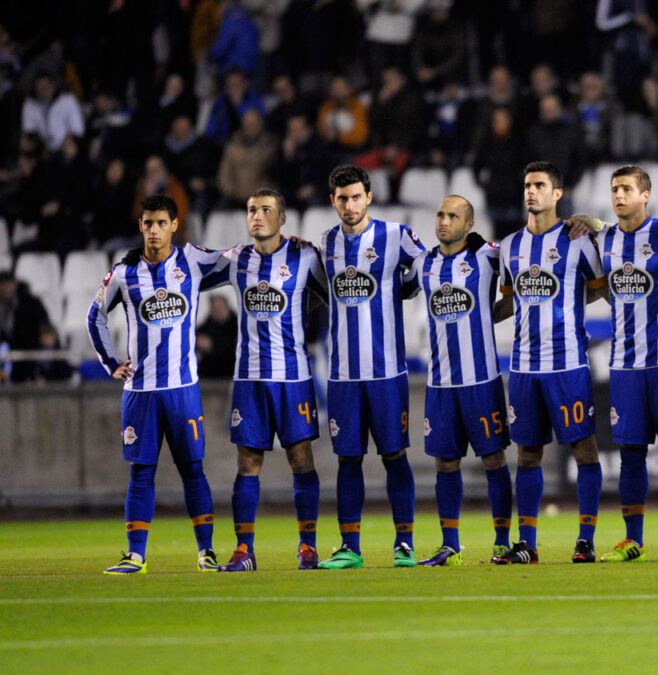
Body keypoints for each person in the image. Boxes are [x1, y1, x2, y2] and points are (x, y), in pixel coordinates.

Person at [87, 194, 232, 574]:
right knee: (141, 473)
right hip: (140, 393)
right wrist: (111, 363)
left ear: (174, 225)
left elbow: (235, 261)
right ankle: (136, 556)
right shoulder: (124, 272)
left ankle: (206, 552)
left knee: (192, 470)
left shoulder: (191, 261)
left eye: (161, 223)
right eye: (148, 223)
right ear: (141, 226)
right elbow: (94, 316)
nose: (154, 230)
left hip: (182, 390)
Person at [493, 161, 608, 564]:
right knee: (527, 455)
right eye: (527, 184)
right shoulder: (509, 246)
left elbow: (601, 289)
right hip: (523, 367)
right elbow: (509, 300)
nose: (531, 191)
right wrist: (474, 315)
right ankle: (527, 543)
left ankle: (585, 539)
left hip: (567, 363)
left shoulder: (578, 240)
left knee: (585, 449)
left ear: (557, 194)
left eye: (539, 185)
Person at [208, 189, 326, 572]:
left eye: (266, 210)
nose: (257, 216)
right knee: (247, 463)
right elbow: (189, 269)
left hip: (292, 378)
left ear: (283, 218)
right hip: (249, 378)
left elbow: (338, 295)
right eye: (252, 210)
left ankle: (307, 547)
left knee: (300, 459)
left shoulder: (305, 256)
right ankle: (244, 550)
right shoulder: (235, 259)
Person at [315, 165, 425, 570]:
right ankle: (350, 547)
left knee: (395, 456)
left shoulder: (395, 236)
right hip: (343, 374)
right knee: (348, 460)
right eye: (342, 198)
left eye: (356, 196)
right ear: (333, 201)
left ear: (369, 197)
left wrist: (405, 287)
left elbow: (429, 267)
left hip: (386, 371)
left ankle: (405, 544)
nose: (349, 205)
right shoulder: (325, 243)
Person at [595, 165, 658, 563]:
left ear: (645, 194)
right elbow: (598, 285)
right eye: (614, 189)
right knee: (630, 453)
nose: (619, 196)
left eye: (626, 189)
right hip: (623, 364)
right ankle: (632, 539)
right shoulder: (603, 240)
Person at [410, 196, 515, 567]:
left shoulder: (487, 256)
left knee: (493, 458)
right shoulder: (423, 264)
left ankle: (502, 542)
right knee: (445, 464)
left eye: (453, 216)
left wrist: (580, 223)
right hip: (440, 383)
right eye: (440, 214)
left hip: (481, 379)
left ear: (469, 224)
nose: (443, 221)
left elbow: (528, 256)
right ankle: (450, 546)